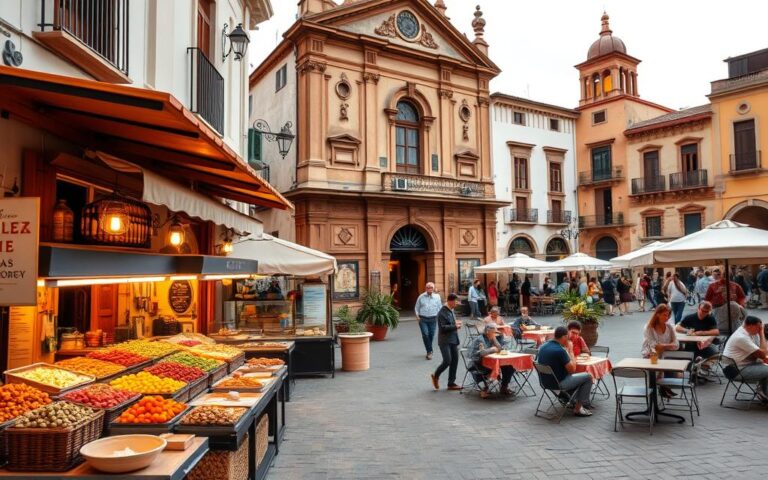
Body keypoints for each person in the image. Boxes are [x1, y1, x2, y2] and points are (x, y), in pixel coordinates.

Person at [537, 326, 594, 417]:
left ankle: (572, 400)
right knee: (588, 377)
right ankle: (578, 408)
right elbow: (572, 370)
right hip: (559, 383)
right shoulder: (560, 350)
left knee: (578, 377)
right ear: (564, 337)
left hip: (545, 382)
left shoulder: (543, 346)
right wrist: (570, 351)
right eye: (568, 337)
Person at [722, 316, 768, 402]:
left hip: (743, 365)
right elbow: (763, 354)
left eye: (760, 328)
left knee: (765, 365)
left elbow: (762, 350)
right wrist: (762, 333)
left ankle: (763, 393)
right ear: (749, 326)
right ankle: (764, 393)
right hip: (734, 370)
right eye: (758, 327)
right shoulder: (741, 337)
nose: (759, 329)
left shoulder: (750, 332)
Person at [469, 324, 515, 397]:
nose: (495, 334)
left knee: (510, 367)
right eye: (493, 332)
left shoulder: (491, 337)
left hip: (490, 361)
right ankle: (484, 388)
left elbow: (499, 348)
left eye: (495, 332)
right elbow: (482, 353)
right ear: (487, 331)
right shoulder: (480, 339)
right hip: (478, 363)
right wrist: (492, 349)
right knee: (497, 367)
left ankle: (504, 387)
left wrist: (494, 339)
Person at [431, 293, 462, 391]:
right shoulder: (442, 312)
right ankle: (436, 375)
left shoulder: (451, 310)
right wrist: (455, 326)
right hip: (445, 340)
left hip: (453, 339)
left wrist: (455, 323)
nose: (457, 304)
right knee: (447, 360)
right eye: (456, 302)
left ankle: (451, 383)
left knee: (455, 361)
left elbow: (450, 323)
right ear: (450, 301)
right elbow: (443, 328)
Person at [414, 282, 442, 360]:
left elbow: (440, 307)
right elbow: (416, 307)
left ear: (433, 289)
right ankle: (429, 351)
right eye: (428, 287)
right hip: (423, 319)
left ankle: (429, 349)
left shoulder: (437, 297)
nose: (429, 289)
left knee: (431, 335)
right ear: (426, 288)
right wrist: (417, 316)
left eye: (431, 288)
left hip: (433, 318)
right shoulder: (421, 297)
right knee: (425, 334)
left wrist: (440, 317)